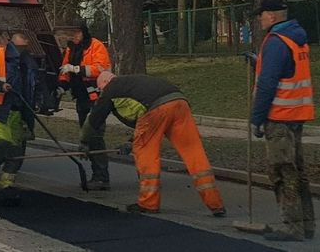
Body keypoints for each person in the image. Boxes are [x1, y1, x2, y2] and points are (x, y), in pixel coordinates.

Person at [79, 71, 226, 217]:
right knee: (194, 153)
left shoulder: (110, 91)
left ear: (104, 84)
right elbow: (144, 124)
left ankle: (148, 203)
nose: (100, 92)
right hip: (179, 102)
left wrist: (84, 142)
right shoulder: (134, 82)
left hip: (156, 109)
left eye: (100, 89)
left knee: (146, 155)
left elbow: (93, 121)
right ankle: (216, 204)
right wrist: (131, 142)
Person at [249, 0, 315, 242]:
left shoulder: (276, 42)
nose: (260, 19)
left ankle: (292, 227)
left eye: (262, 15)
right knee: (298, 171)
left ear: (273, 16)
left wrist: (256, 117)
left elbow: (268, 83)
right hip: (297, 113)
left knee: (282, 171)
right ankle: (307, 225)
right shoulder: (296, 37)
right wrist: (258, 63)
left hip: (279, 116)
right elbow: (287, 70)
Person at [0, 32, 38, 192]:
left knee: (16, 146)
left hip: (17, 108)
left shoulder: (28, 62)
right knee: (2, 139)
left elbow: (33, 84)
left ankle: (6, 183)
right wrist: (0, 86)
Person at [57, 21, 111, 126]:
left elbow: (99, 69)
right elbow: (65, 68)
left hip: (97, 90)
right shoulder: (71, 48)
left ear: (84, 32)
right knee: (83, 120)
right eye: (71, 33)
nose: (74, 36)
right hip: (80, 92)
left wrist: (76, 69)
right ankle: (86, 141)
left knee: (95, 123)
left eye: (77, 32)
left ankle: (93, 140)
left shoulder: (96, 45)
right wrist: (62, 85)